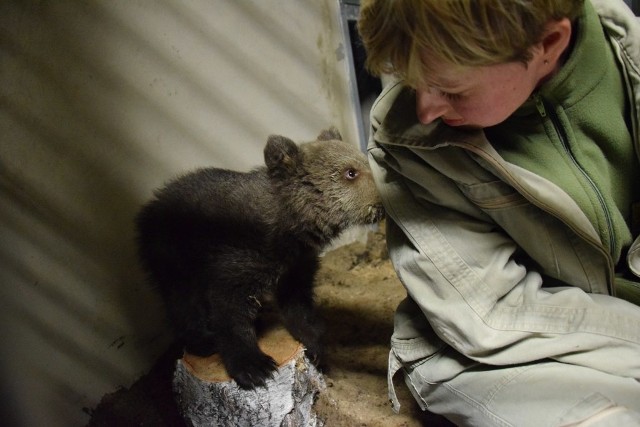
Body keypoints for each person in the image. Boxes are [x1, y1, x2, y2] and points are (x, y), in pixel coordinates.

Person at [357, 0, 640, 425]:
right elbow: (489, 317)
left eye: (452, 90)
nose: (425, 110)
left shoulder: (628, 54)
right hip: (500, 349)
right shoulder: (407, 138)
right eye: (412, 80)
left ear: (549, 42)